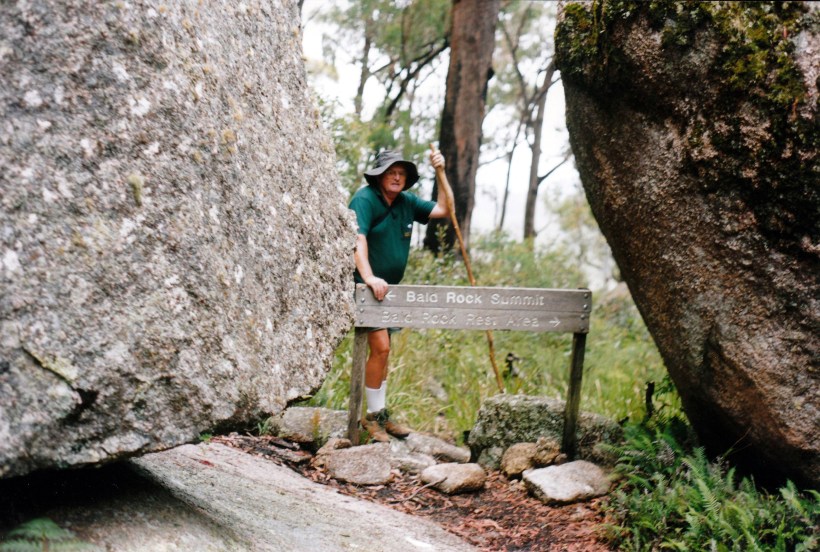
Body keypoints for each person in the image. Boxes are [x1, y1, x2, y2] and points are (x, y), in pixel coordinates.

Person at [349, 148, 449, 442]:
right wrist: (368, 277)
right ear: (379, 175)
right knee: (380, 347)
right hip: (365, 285)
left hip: (387, 291)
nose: (396, 177)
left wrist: (441, 173)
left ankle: (379, 414)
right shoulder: (364, 199)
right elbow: (358, 239)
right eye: (391, 172)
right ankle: (371, 419)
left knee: (385, 351)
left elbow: (445, 210)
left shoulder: (406, 202)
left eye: (401, 173)